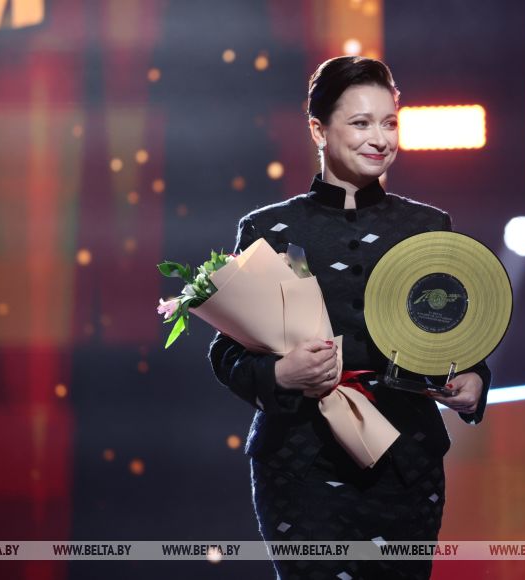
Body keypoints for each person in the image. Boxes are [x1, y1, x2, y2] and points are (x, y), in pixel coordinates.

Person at [208, 55, 491, 580]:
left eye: (389, 123)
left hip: (407, 463)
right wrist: (280, 374)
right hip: (300, 464)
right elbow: (227, 351)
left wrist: (474, 379)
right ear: (318, 129)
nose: (379, 139)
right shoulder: (270, 229)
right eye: (361, 123)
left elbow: (455, 332)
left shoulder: (428, 226)